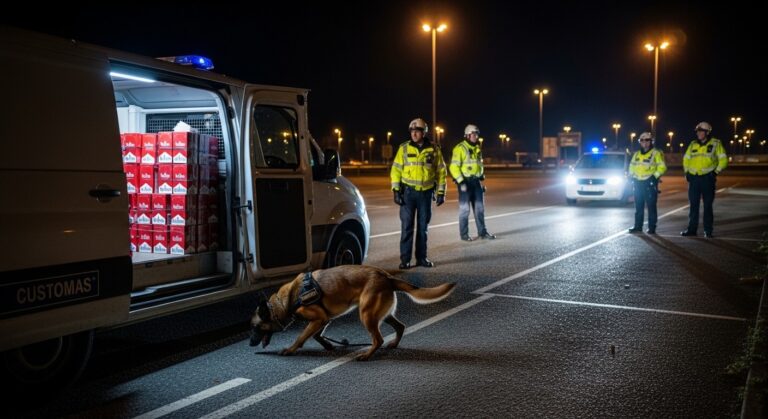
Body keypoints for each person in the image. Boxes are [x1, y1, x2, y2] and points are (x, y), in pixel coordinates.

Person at [390, 118, 447, 269]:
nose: (414, 134)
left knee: (423, 228)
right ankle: (405, 260)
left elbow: (441, 172)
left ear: (424, 132)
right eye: (412, 131)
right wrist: (396, 190)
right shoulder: (404, 148)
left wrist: (441, 192)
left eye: (417, 131)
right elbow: (395, 170)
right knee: (407, 227)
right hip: (408, 194)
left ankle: (421, 258)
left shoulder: (434, 149)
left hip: (426, 195)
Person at [681, 121, 727, 238]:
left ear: (707, 132)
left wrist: (715, 172)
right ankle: (692, 229)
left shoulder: (716, 143)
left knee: (707, 206)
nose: (698, 133)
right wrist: (687, 173)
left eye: (701, 131)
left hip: (708, 179)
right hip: (694, 179)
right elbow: (686, 159)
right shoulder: (692, 144)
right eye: (697, 131)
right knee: (693, 206)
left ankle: (708, 230)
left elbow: (723, 160)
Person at [449, 124, 496, 241]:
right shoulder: (459, 148)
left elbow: (479, 165)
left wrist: (481, 175)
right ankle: (464, 235)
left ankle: (482, 233)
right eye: (473, 134)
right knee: (465, 210)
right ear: (467, 135)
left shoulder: (477, 148)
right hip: (465, 182)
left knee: (480, 209)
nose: (476, 136)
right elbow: (453, 167)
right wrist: (460, 181)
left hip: (476, 183)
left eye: (476, 134)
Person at [627, 132, 667, 234]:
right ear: (640, 142)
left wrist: (654, 177)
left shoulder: (656, 153)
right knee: (638, 206)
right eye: (642, 141)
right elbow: (631, 166)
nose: (644, 142)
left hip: (649, 183)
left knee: (651, 206)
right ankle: (638, 226)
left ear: (651, 142)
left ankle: (652, 227)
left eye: (647, 140)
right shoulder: (636, 154)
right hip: (638, 183)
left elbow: (662, 167)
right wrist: (632, 176)